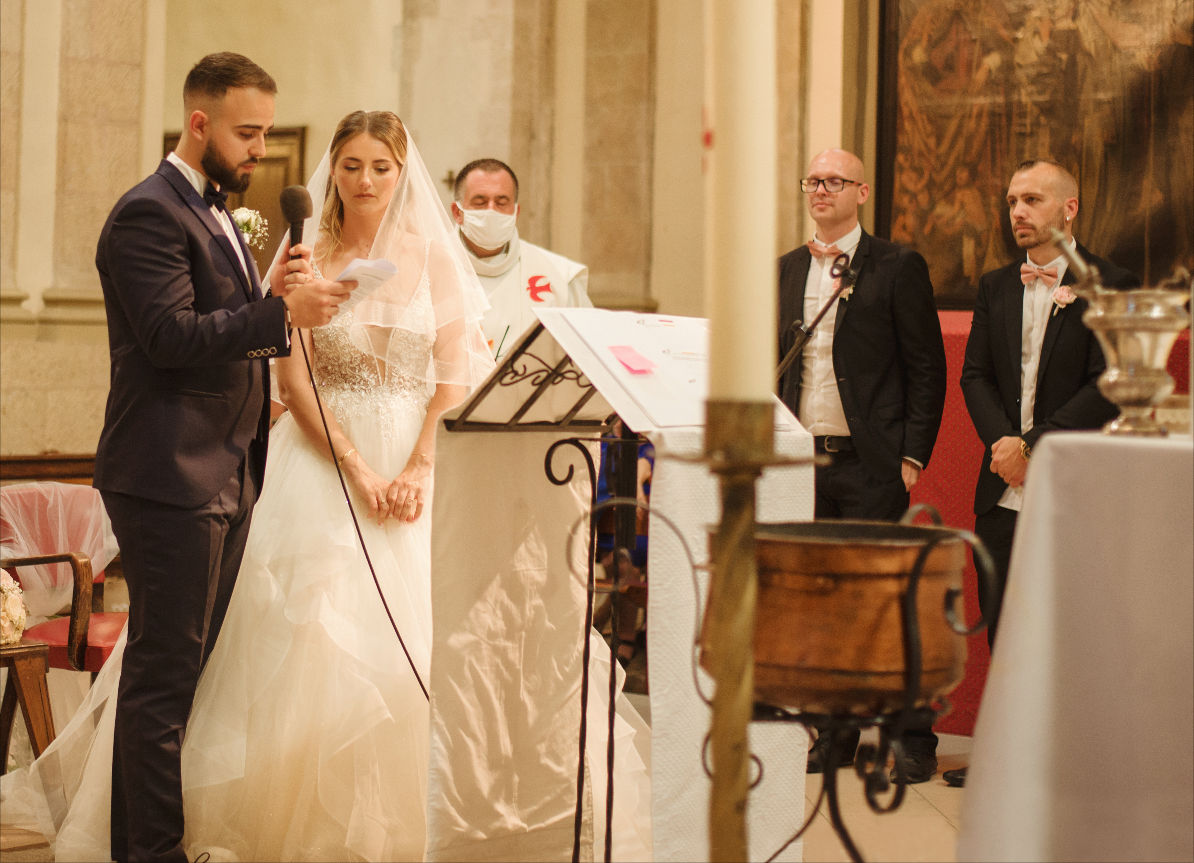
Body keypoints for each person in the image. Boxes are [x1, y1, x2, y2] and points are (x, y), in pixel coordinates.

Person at [88, 53, 349, 862]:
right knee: (163, 683)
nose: (260, 149)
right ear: (198, 123)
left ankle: (142, 846)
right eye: (247, 132)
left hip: (223, 470)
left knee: (177, 677)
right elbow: (168, 338)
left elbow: (221, 328)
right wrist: (277, 313)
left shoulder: (214, 214)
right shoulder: (148, 213)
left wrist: (272, 296)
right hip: (169, 473)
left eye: (266, 132)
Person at [950, 158, 1139, 787]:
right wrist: (1003, 445)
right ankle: (1006, 766)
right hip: (1000, 486)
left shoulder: (1112, 282)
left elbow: (1108, 383)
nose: (1018, 213)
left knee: (1067, 630)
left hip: (1070, 484)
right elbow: (974, 373)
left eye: (1032, 200)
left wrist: (1032, 444)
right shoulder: (999, 284)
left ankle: (1066, 769)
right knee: (1002, 621)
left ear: (1069, 209)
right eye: (1010, 201)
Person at [776, 149, 948, 784]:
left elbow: (926, 368)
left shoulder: (897, 266)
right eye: (813, 179)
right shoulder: (789, 268)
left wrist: (910, 457)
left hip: (872, 464)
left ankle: (910, 737)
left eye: (834, 181)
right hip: (804, 462)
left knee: (886, 601)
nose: (821, 189)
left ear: (862, 192)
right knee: (822, 606)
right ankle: (836, 733)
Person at [450, 158, 592, 359]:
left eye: (501, 202)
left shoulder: (559, 275)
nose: (491, 210)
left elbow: (587, 351)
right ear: (457, 212)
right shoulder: (426, 267)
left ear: (515, 212)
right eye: (480, 202)